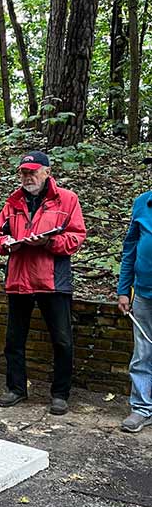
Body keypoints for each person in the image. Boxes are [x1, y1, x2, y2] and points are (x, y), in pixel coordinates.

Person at [0, 150, 86, 415]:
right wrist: (6, 244)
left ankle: (60, 394)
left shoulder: (67, 199)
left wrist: (50, 242)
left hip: (53, 280)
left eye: (32, 171)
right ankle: (16, 389)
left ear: (47, 172)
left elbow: (76, 237)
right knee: (14, 340)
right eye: (23, 172)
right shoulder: (12, 202)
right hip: (19, 278)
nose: (27, 176)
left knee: (62, 340)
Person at [117, 182, 152, 433]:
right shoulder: (142, 203)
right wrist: (123, 290)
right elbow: (129, 249)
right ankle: (141, 408)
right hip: (144, 294)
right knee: (143, 353)